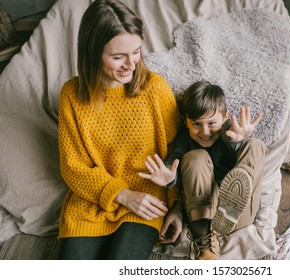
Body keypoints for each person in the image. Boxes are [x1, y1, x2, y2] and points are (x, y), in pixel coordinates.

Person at [57, 0, 183, 260]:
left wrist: (180, 207)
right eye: (118, 57)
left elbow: (180, 151)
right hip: (89, 202)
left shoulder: (155, 88)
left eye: (136, 51)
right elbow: (73, 167)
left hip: (146, 204)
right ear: (93, 52)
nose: (131, 64)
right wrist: (122, 195)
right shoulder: (71, 95)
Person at [139, 81, 268, 260]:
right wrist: (169, 176)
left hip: (240, 212)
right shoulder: (184, 140)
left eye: (211, 123)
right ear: (185, 121)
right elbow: (173, 161)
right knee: (195, 156)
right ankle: (206, 249)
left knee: (255, 145)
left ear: (225, 118)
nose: (205, 131)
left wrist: (238, 142)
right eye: (196, 124)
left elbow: (233, 143)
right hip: (202, 212)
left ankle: (234, 197)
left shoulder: (228, 132)